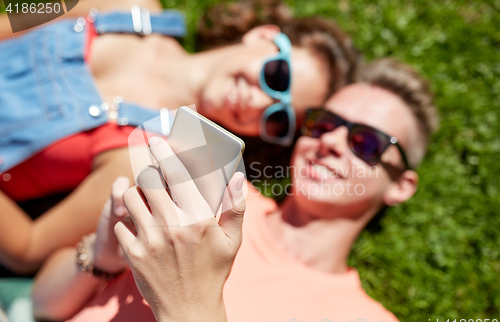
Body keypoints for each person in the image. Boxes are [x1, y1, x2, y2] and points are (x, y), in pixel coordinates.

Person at [32, 57, 439, 322]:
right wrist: (101, 256)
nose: (331, 141)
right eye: (323, 123)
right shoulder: (215, 194)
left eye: (364, 141)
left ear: (401, 185)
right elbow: (43, 304)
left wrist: (187, 305)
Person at [0, 0, 361, 274]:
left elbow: (28, 247)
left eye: (278, 119)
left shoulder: (146, 157)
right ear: (264, 36)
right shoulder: (127, 4)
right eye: (277, 76)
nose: (260, 101)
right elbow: (15, 16)